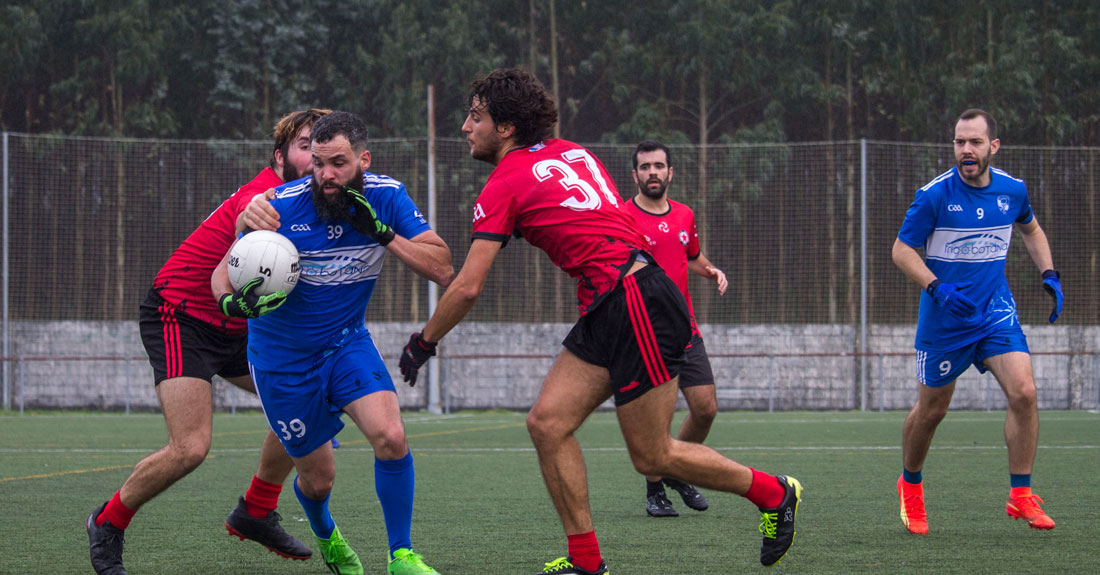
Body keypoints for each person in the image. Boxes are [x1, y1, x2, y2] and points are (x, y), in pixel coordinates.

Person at [396, 68, 801, 574]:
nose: (464, 127)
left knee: (652, 457)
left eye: (474, 117)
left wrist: (423, 342)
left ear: (505, 128)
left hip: (634, 301)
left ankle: (774, 493)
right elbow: (584, 218)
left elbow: (468, 285)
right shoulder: (572, 150)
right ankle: (586, 561)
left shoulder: (504, 181)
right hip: (614, 301)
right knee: (547, 425)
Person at [86, 108, 331, 575]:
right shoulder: (269, 196)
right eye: (304, 144)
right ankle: (107, 521)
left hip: (237, 326)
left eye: (321, 145)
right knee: (191, 448)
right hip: (181, 315)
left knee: (308, 399)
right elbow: (251, 212)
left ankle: (256, 510)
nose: (315, 153)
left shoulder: (313, 200)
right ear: (280, 157)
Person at [213, 110, 453, 575]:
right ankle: (327, 535)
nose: (326, 175)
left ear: (363, 159)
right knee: (319, 480)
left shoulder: (387, 196)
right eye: (319, 162)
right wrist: (230, 306)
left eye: (338, 163)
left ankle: (401, 555)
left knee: (392, 436)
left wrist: (382, 234)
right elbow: (222, 274)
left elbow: (443, 267)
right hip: (281, 361)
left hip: (346, 344)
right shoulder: (278, 206)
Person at [892, 108, 1064, 535]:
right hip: (944, 319)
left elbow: (1031, 229)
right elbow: (901, 250)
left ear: (993, 146)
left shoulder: (1012, 190)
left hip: (994, 312)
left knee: (1024, 392)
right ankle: (910, 484)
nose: (965, 150)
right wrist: (937, 287)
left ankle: (1020, 496)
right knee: (933, 410)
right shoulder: (933, 195)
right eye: (958, 142)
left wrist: (1049, 274)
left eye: (974, 142)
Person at [622, 140, 727, 518]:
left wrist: (711, 269)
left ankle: (675, 469)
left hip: (686, 328)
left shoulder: (684, 214)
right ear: (635, 175)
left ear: (671, 172)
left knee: (706, 409)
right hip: (644, 334)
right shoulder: (622, 217)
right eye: (645, 167)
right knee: (656, 420)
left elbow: (691, 256)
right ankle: (655, 493)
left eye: (659, 166)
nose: (653, 172)